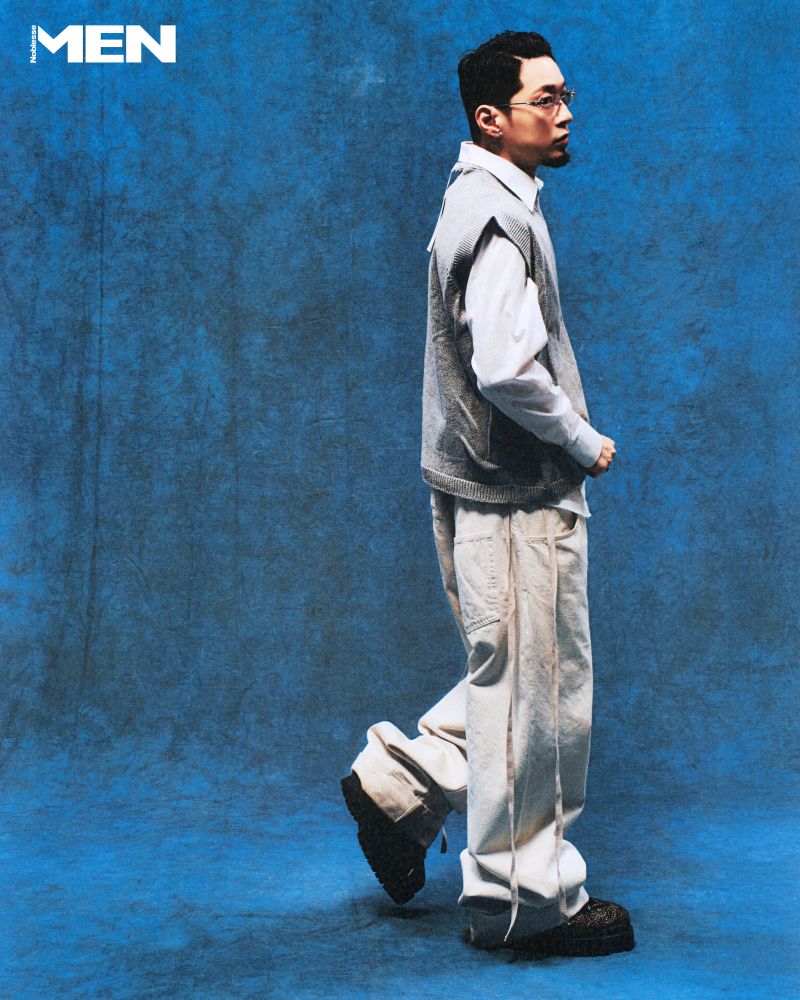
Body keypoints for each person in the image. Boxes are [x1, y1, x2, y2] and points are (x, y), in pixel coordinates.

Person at [341, 30, 634, 957]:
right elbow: (506, 368)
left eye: (564, 95)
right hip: (515, 497)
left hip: (494, 492)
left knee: (515, 674)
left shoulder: (481, 198)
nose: (565, 113)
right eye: (545, 99)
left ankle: (401, 784)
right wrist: (581, 439)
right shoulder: (498, 218)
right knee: (535, 699)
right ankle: (522, 904)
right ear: (492, 118)